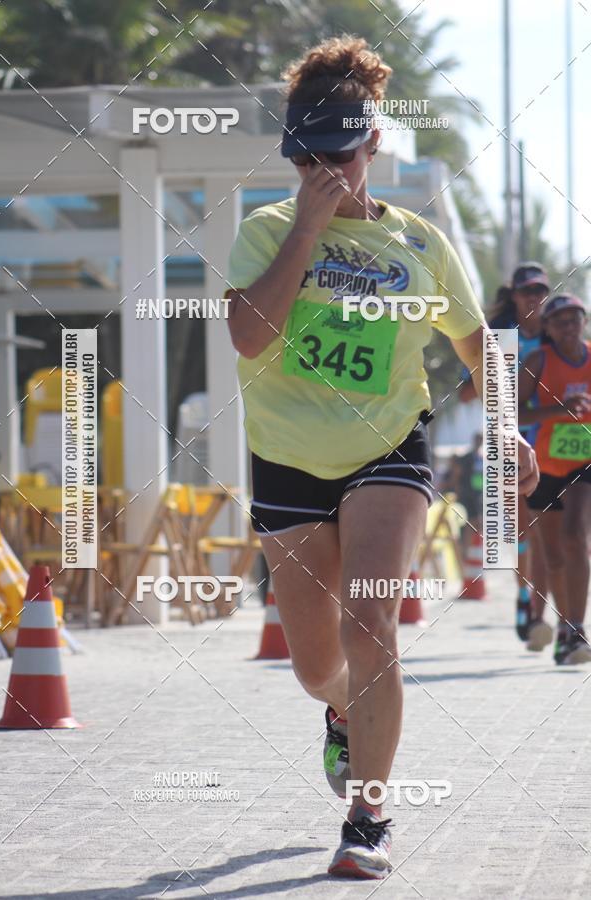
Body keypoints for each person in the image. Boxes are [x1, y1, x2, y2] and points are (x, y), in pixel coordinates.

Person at [225, 35, 539, 879]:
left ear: (373, 143)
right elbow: (248, 336)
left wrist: (505, 426)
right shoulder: (264, 231)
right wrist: (309, 228)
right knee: (317, 667)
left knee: (371, 626)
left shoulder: (422, 244)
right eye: (308, 159)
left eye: (340, 155)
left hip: (388, 449)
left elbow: (477, 345)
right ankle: (340, 714)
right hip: (287, 459)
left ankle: (369, 818)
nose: (325, 172)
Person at [460, 263, 551, 651]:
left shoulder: (555, 333)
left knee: (550, 529)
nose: (534, 298)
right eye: (527, 291)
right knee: (522, 530)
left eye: (540, 291)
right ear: (513, 295)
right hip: (508, 442)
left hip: (550, 440)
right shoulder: (498, 335)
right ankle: (525, 597)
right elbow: (466, 393)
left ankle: (542, 612)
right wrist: (497, 377)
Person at [519, 293, 591, 665]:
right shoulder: (538, 361)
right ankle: (564, 632)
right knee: (554, 556)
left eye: (574, 319)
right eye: (560, 321)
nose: (569, 327)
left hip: (585, 461)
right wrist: (558, 410)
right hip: (546, 464)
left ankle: (577, 628)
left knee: (575, 536)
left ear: (584, 321)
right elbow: (512, 413)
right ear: (547, 327)